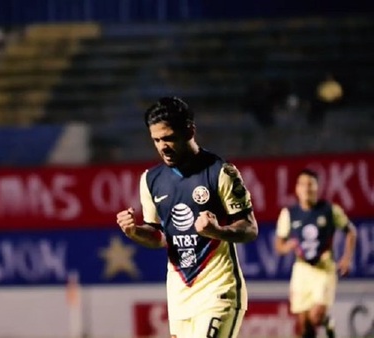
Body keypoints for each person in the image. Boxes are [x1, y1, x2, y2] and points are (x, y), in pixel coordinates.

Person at [116, 97, 259, 338]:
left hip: (218, 290)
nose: (163, 147)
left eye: (169, 138)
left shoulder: (220, 172)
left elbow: (250, 228)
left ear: (189, 130)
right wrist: (135, 231)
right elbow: (160, 237)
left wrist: (217, 231)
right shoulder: (150, 180)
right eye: (156, 140)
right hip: (180, 294)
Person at [274, 169, 357, 338]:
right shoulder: (289, 214)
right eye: (302, 184)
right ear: (297, 189)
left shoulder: (330, 210)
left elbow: (351, 231)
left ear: (317, 187)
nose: (306, 188)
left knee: (316, 315)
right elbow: (279, 245)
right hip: (302, 270)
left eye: (310, 184)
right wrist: (288, 246)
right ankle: (325, 326)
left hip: (324, 269)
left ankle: (325, 320)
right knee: (305, 328)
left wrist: (346, 258)